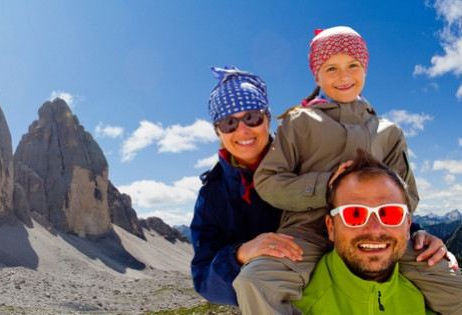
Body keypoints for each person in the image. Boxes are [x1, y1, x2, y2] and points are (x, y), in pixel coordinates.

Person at [233, 26, 462, 314]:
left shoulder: (388, 132)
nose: (344, 76)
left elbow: (409, 196)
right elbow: (268, 182)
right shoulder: (299, 123)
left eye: (353, 65)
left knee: (451, 283)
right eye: (331, 68)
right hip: (306, 235)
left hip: (380, 234)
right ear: (317, 75)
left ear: (365, 69)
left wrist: (387, 207)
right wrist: (327, 186)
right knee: (256, 282)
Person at [190, 66, 304, 305]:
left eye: (252, 117)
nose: (243, 130)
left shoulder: (303, 164)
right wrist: (239, 254)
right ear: (218, 132)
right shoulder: (212, 194)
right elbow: (203, 280)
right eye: (229, 123)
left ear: (268, 120)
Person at [293, 149, 435, 314]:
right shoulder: (293, 306)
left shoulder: (428, 302)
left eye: (390, 213)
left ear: (407, 225)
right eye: (355, 214)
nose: (374, 229)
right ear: (331, 227)